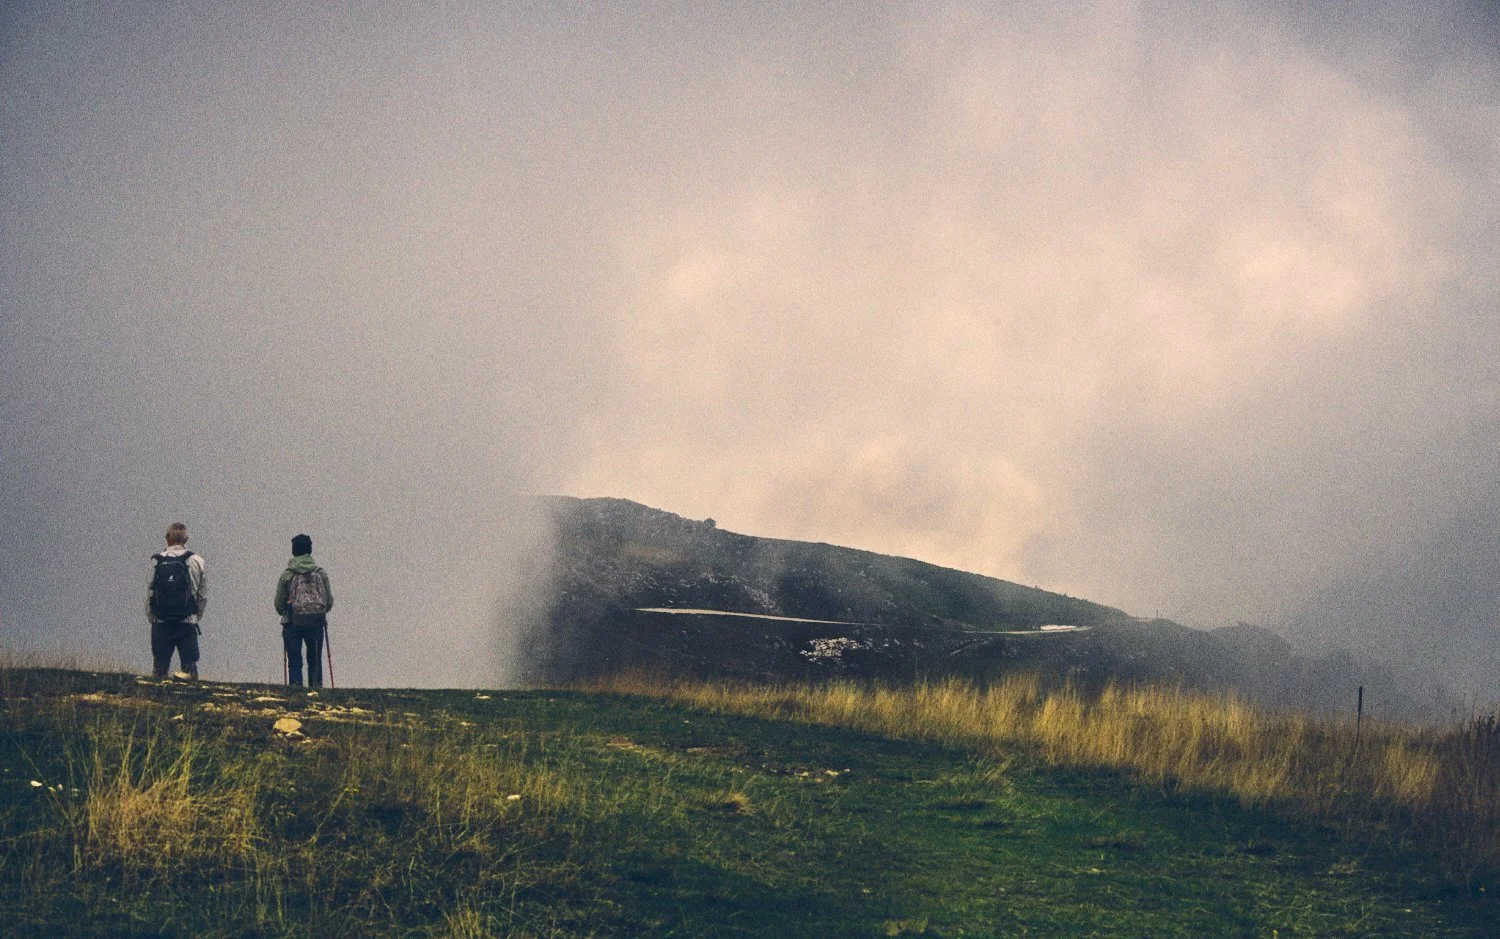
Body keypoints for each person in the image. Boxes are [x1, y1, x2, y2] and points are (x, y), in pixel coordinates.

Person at [146, 522, 208, 679]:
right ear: (186, 539)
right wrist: (196, 616)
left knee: (159, 668)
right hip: (186, 621)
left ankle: (157, 699)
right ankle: (190, 699)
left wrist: (152, 616)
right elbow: (202, 595)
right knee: (190, 668)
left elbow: (150, 592)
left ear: (168, 539)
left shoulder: (156, 561)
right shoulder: (197, 561)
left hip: (161, 622)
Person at [274, 533, 333, 687]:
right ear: (310, 550)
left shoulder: (287, 575)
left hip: (293, 622)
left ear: (293, 551)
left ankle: (295, 688)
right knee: (314, 659)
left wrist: (287, 612)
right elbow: (329, 602)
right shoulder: (320, 573)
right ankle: (316, 689)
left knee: (294, 660)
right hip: (316, 622)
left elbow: (279, 604)